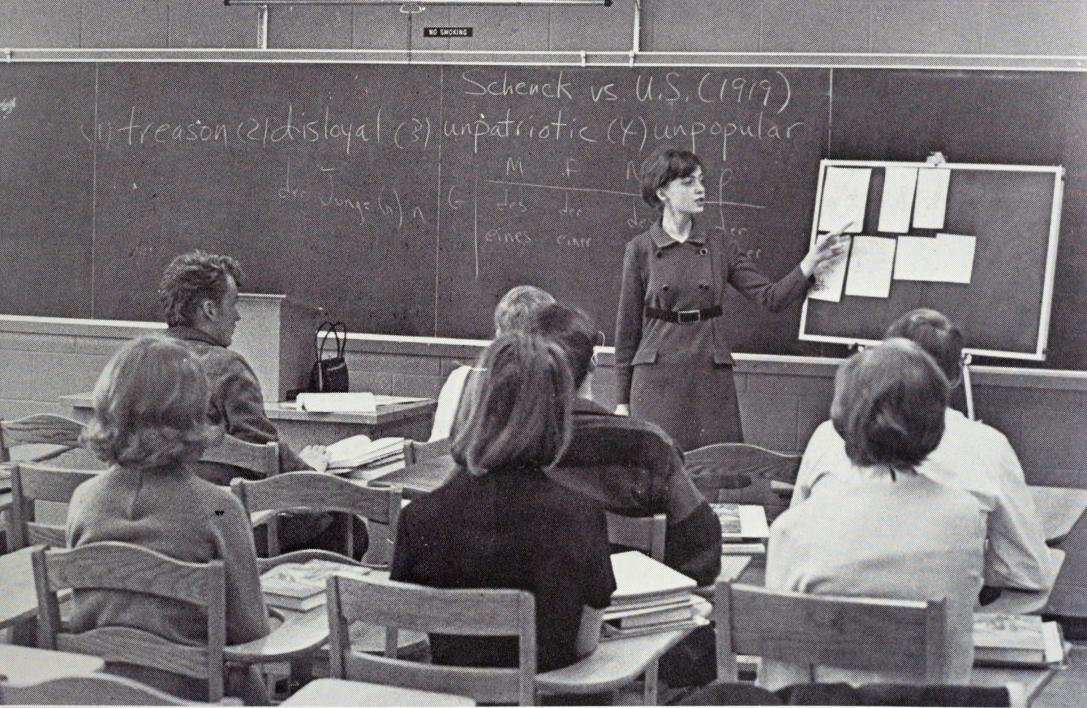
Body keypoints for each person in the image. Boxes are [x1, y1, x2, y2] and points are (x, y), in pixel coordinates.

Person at [759, 339, 986, 689]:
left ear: (842, 418)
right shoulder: (965, 518)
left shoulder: (793, 529)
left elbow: (782, 682)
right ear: (935, 422)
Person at [391, 333, 616, 673]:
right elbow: (584, 645)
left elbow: (410, 634)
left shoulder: (418, 519)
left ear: (477, 408)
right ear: (556, 416)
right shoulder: (582, 515)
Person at [792, 308, 1053, 593]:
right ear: (952, 378)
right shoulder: (983, 460)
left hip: (827, 627)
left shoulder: (825, 436)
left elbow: (796, 546)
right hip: (937, 630)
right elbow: (1026, 572)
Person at [68, 336, 270, 703]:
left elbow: (82, 614)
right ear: (193, 412)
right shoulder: (220, 507)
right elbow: (251, 630)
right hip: (190, 695)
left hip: (99, 692)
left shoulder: (82, 499)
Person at [614, 146, 849, 450]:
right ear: (662, 193)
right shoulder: (640, 249)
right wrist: (621, 401)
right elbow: (626, 331)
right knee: (657, 472)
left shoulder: (720, 244)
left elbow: (771, 297)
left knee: (711, 472)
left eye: (701, 181)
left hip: (708, 376)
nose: (701, 190)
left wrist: (811, 263)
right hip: (657, 378)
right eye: (688, 183)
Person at [525, 302, 722, 586]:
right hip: (633, 614)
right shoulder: (648, 446)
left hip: (534, 619)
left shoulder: (505, 444)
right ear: (593, 361)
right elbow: (702, 549)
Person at [157, 250, 325, 483]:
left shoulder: (134, 362)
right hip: (215, 511)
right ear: (210, 310)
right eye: (233, 303)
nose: (237, 316)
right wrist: (312, 470)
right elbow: (261, 458)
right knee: (337, 513)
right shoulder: (227, 369)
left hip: (144, 505)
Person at [428, 284, 555, 441]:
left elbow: (435, 448)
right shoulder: (543, 386)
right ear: (546, 339)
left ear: (498, 333)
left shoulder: (459, 378)